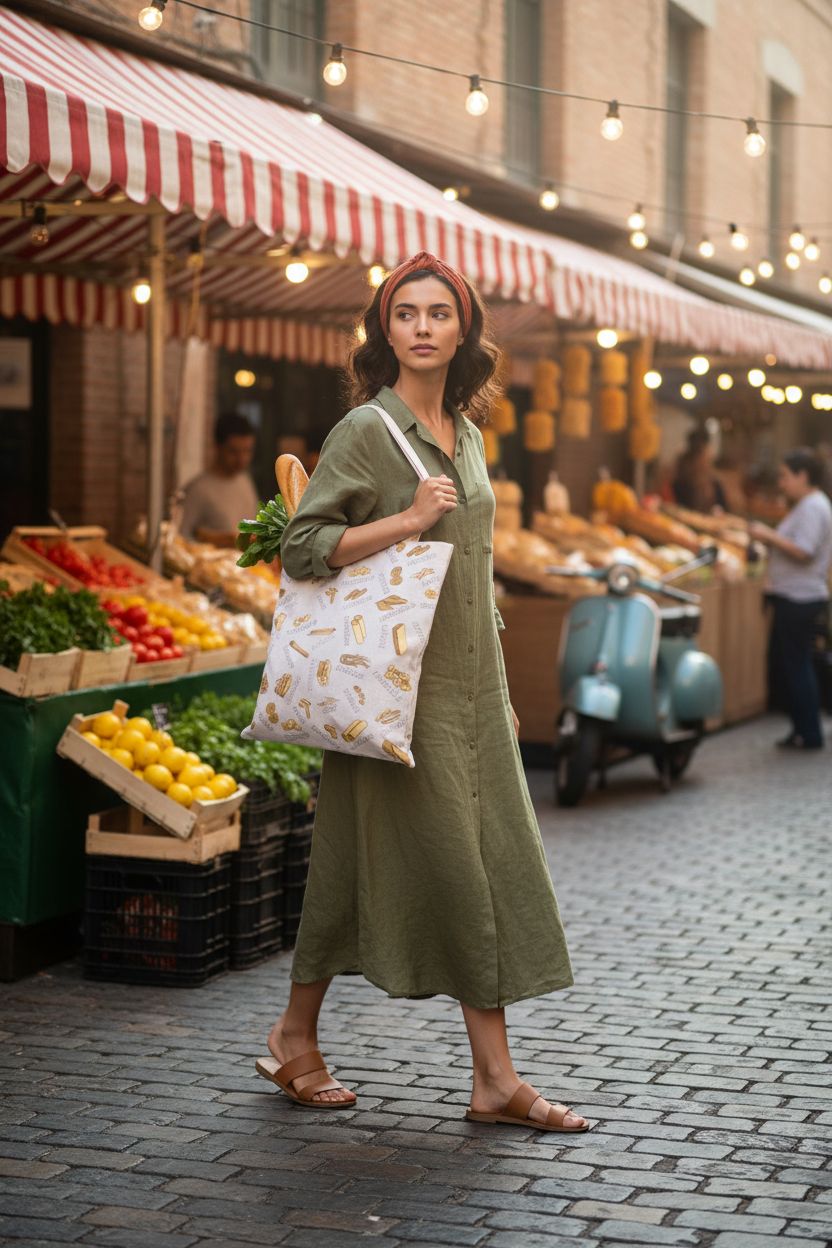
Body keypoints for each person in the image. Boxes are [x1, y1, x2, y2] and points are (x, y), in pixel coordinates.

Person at [255, 252, 588, 1133]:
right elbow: (303, 547)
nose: (423, 327)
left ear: (464, 329)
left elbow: (473, 568)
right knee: (452, 862)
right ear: (384, 329)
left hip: (468, 687)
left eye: (439, 313)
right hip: (393, 686)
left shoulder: (468, 435)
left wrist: (497, 682)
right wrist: (407, 519)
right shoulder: (368, 429)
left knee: (452, 859)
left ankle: (307, 1036)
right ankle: (488, 1076)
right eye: (405, 313)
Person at [750, 448, 832, 750]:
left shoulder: (812, 507)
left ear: (803, 476)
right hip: (798, 594)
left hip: (799, 597)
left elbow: (804, 551)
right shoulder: (811, 505)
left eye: (786, 476)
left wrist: (767, 535)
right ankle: (802, 728)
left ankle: (808, 732)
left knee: (797, 665)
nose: (781, 483)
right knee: (796, 663)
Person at [179, 413, 258, 546]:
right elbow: (179, 538)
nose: (242, 459)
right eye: (234, 452)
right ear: (217, 447)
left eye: (247, 451)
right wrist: (215, 541)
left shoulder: (245, 481)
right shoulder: (197, 490)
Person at [672, 428, 727, 513]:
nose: (708, 460)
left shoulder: (714, 484)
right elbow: (680, 506)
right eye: (702, 457)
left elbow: (723, 508)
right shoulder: (682, 482)